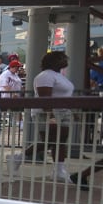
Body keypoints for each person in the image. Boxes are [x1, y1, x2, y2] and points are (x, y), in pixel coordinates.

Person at [6, 51, 74, 181]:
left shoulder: (59, 76)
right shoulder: (45, 76)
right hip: (48, 112)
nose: (65, 61)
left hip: (64, 111)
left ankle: (59, 171)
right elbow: (44, 97)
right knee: (50, 141)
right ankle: (17, 158)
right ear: (54, 61)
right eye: (62, 58)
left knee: (60, 141)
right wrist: (51, 115)